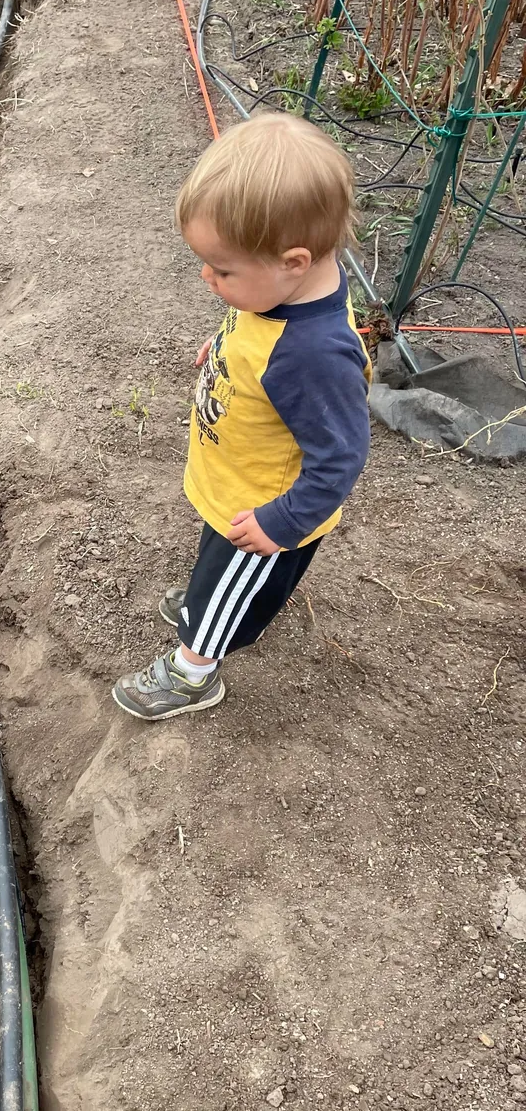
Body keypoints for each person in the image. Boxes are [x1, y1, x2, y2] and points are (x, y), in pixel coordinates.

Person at [112, 112, 372, 721]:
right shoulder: (286, 294)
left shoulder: (314, 356)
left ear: (293, 260)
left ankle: (193, 670)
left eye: (223, 270)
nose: (208, 278)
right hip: (238, 486)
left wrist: (281, 522)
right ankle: (214, 608)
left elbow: (342, 456)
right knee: (217, 565)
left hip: (266, 505)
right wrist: (225, 346)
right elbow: (259, 329)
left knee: (230, 581)